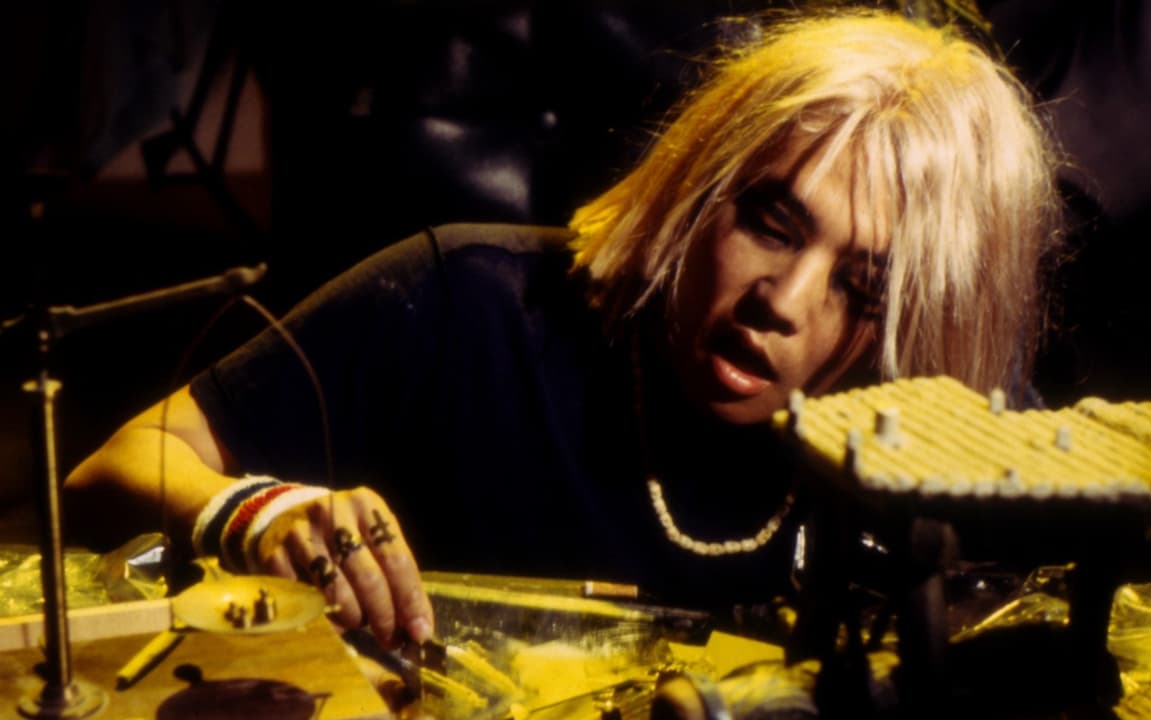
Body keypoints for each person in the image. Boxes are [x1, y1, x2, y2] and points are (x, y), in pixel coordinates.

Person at [64, 9, 1062, 651]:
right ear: (700, 184)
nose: (787, 301)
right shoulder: (463, 299)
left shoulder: (936, 423)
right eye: (771, 223)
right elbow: (110, 471)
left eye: (862, 287)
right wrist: (253, 512)